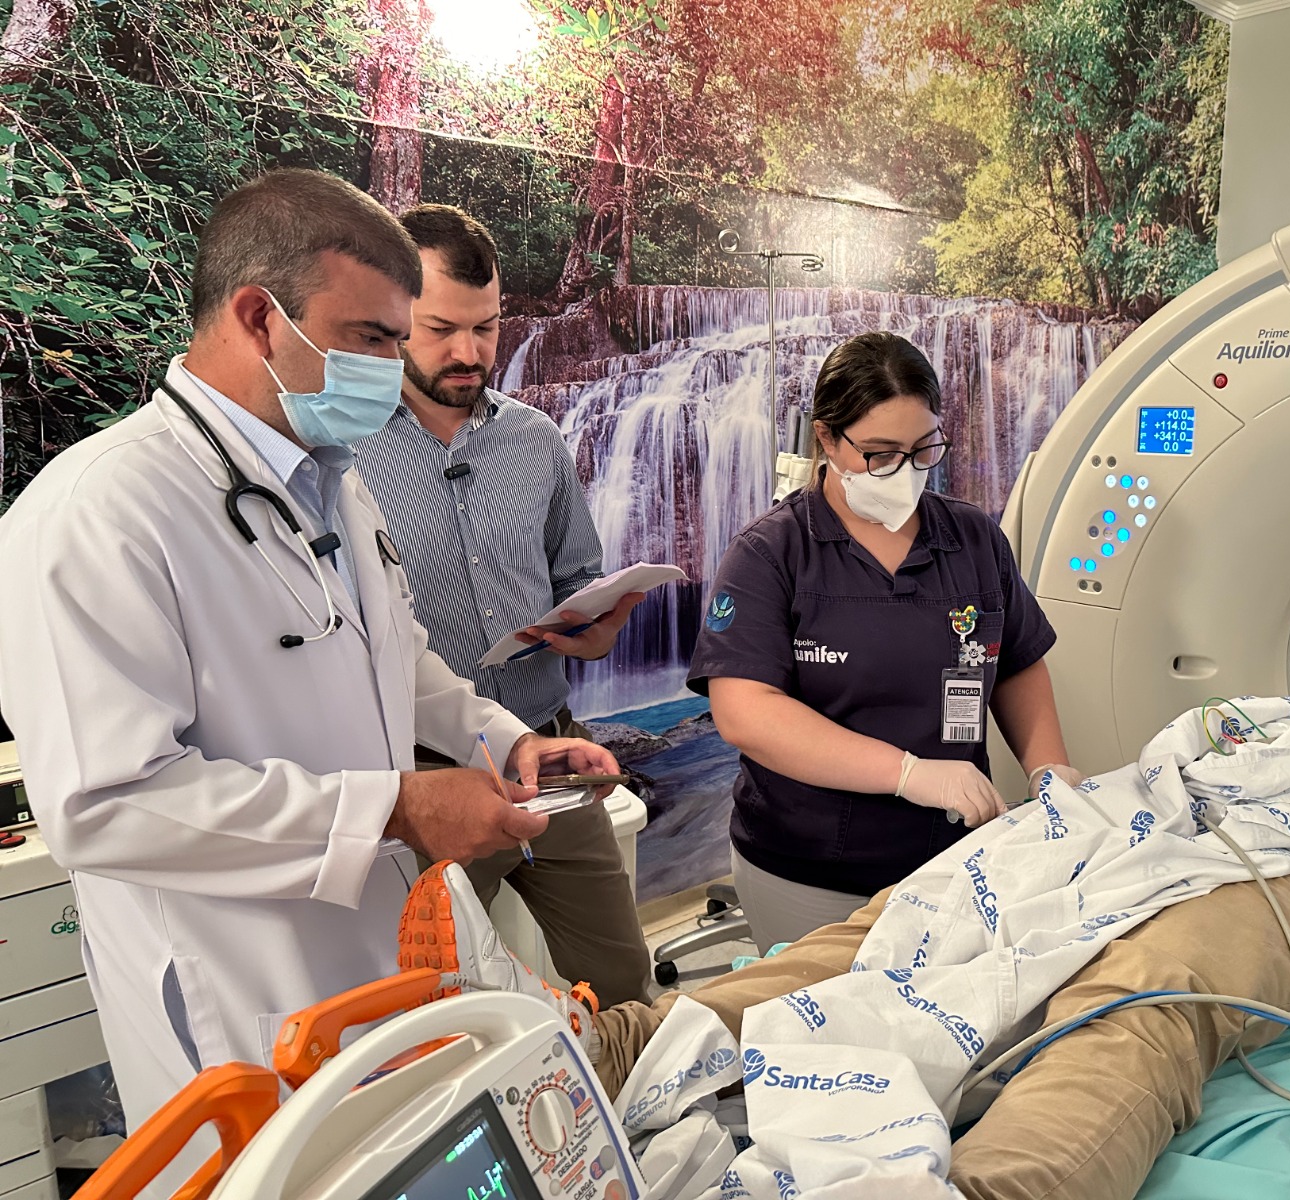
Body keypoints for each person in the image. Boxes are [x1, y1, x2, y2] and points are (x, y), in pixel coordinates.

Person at [404, 652, 1290, 1200]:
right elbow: (1149, 769)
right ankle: (591, 1048)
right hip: (1122, 823)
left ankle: (994, 1189)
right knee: (895, 931)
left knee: (1142, 1005)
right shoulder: (1250, 714)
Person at [0, 170, 620, 1169]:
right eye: (370, 338)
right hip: (235, 990)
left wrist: (503, 741)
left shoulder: (327, 483)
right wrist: (396, 809)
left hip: (368, 964)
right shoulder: (99, 514)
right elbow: (103, 805)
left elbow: (396, 657)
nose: (390, 367)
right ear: (260, 318)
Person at [688, 332, 1079, 950]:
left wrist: (1049, 770)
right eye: (880, 454)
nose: (905, 471)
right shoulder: (771, 554)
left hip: (959, 858)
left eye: (924, 449)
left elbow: (1017, 662)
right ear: (826, 439)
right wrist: (908, 774)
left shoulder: (973, 539)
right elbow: (746, 713)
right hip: (811, 869)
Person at [354, 204, 650, 1006]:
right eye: (440, 329)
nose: (469, 352)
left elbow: (575, 578)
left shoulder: (535, 439)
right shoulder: (342, 456)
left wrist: (592, 629)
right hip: (425, 780)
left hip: (548, 749)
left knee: (625, 984)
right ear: (391, 317)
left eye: (486, 328)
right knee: (440, 1009)